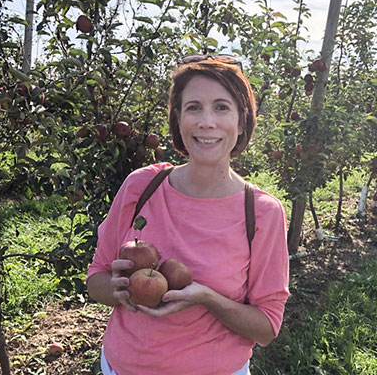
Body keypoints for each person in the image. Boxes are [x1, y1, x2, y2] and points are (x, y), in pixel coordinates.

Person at [86, 55, 290, 375]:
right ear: (178, 120)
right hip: (120, 367)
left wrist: (208, 298)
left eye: (221, 107)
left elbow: (266, 328)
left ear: (241, 121)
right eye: (193, 107)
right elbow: (96, 279)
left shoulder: (262, 213)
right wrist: (118, 287)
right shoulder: (141, 186)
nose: (206, 121)